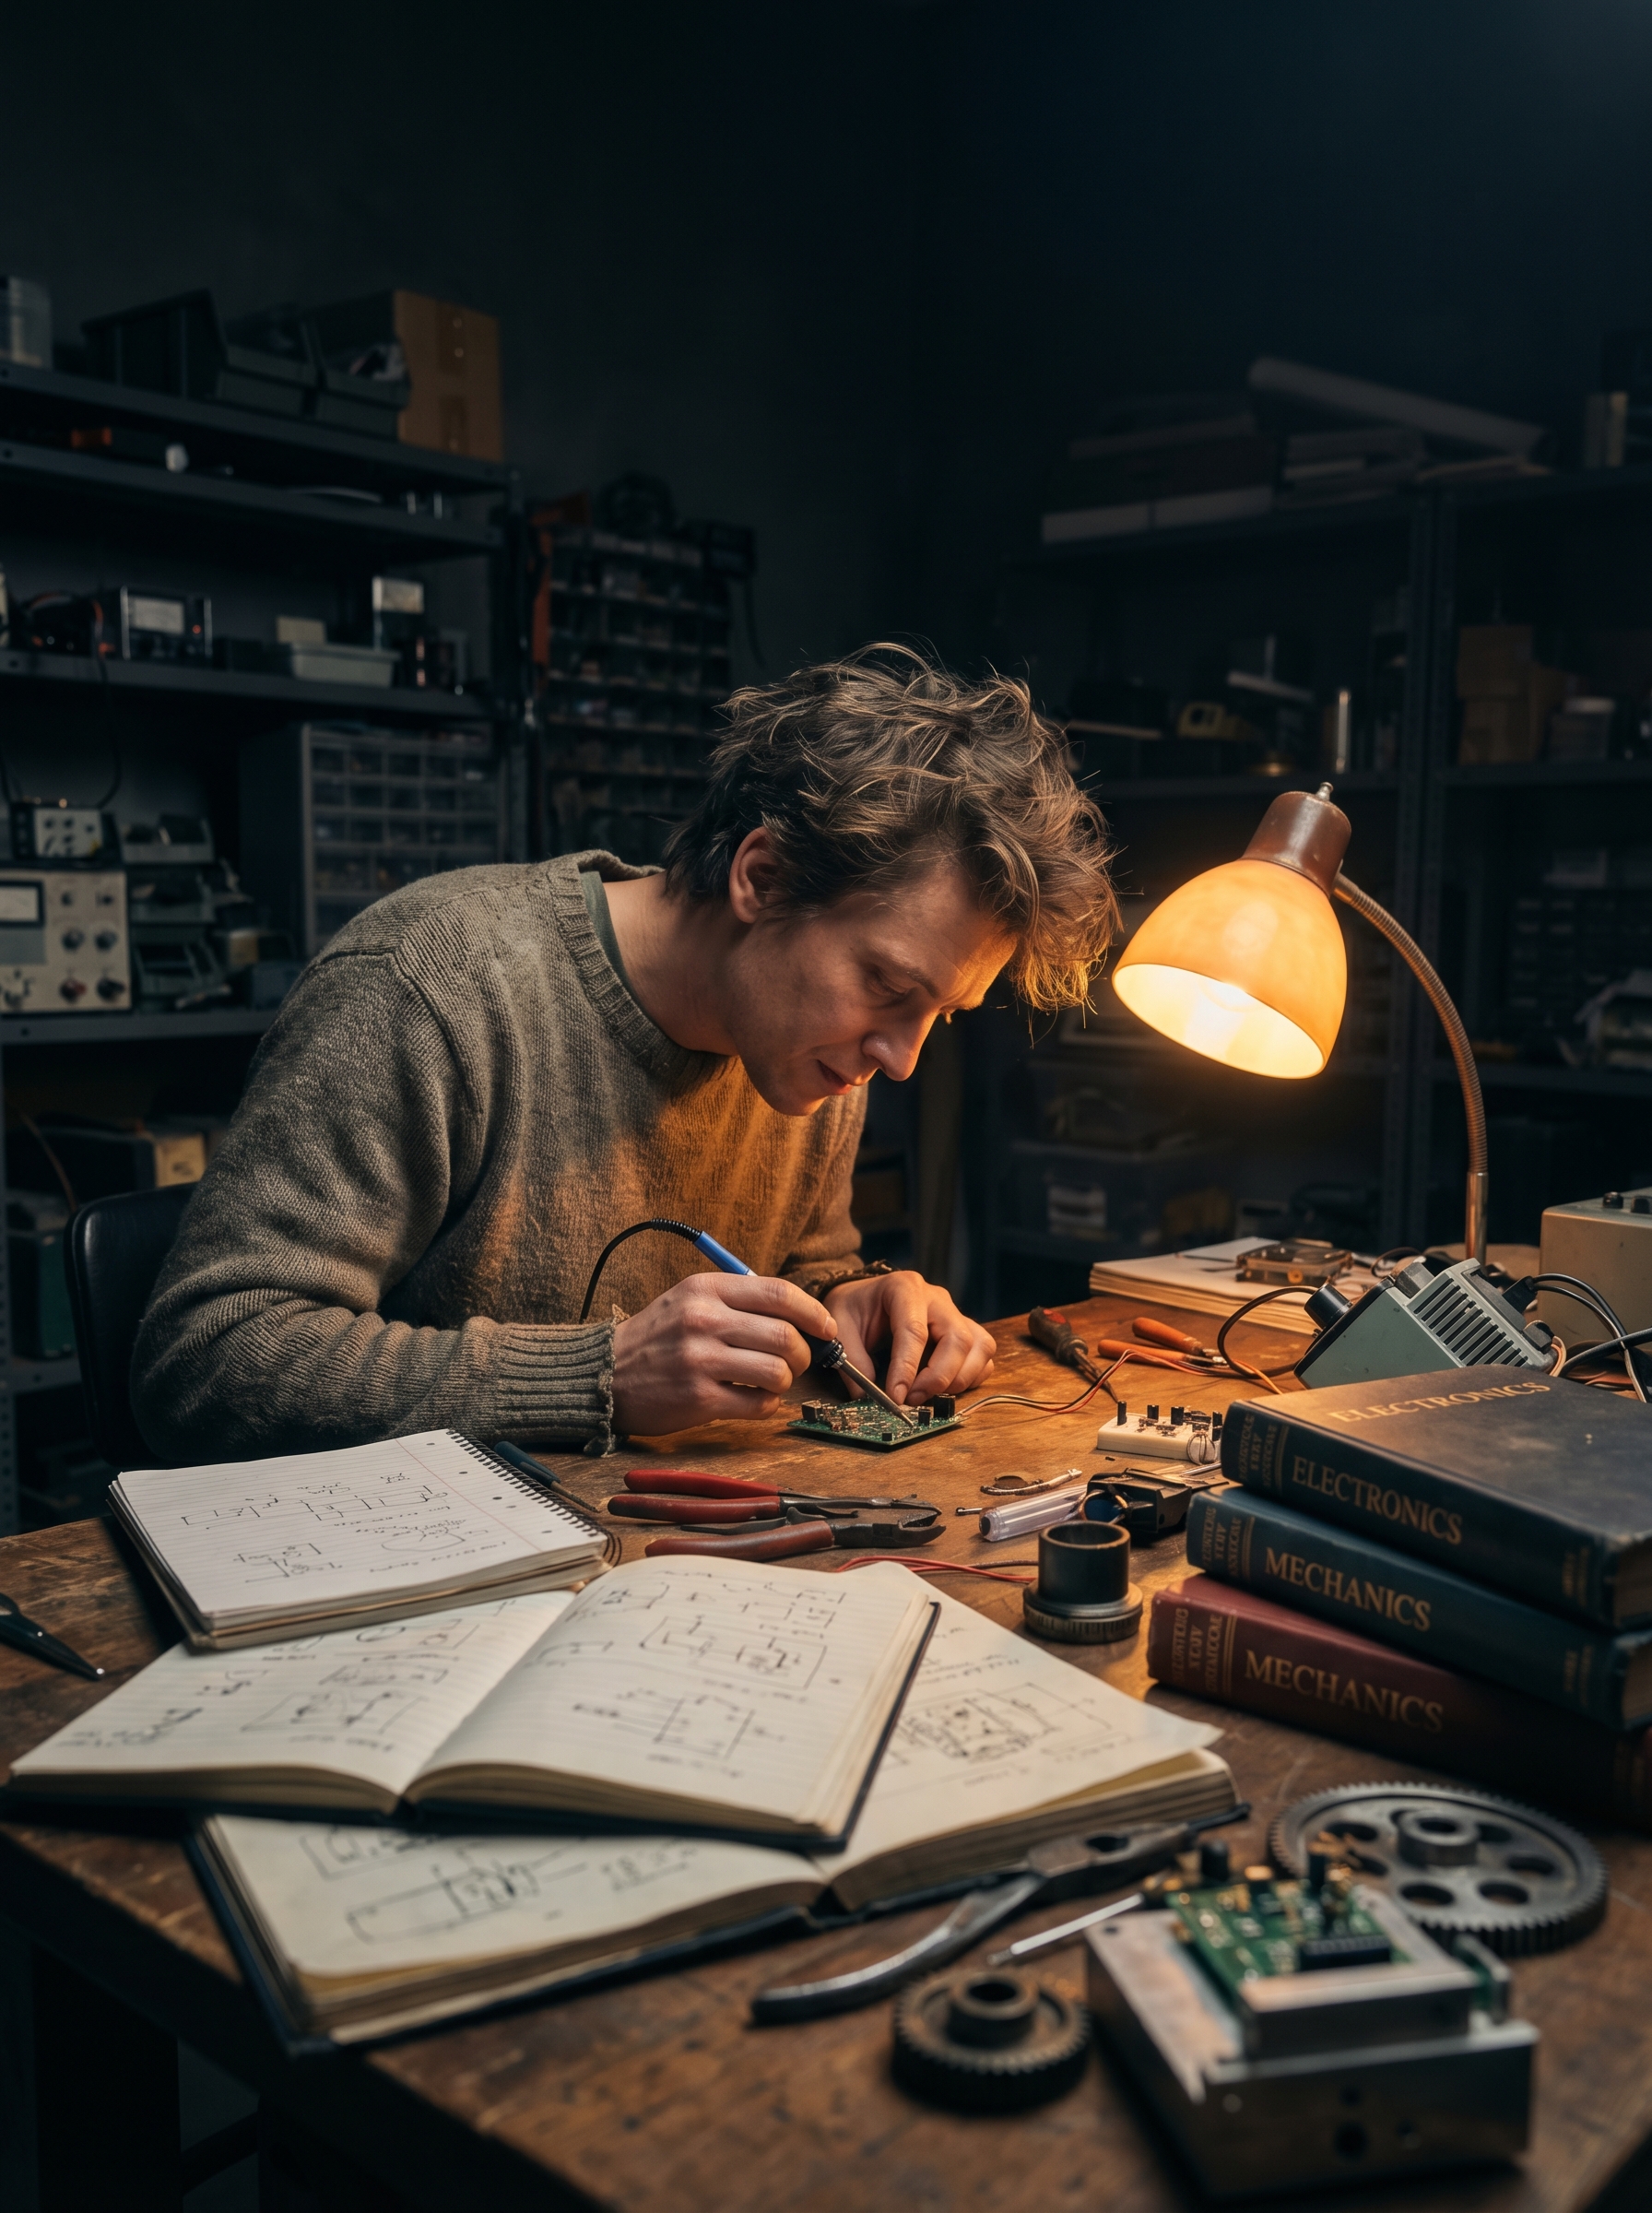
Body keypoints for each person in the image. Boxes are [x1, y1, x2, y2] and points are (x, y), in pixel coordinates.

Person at [133, 645, 1118, 1459]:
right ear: (762, 877)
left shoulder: (819, 1048)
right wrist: (597, 1377)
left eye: (940, 1016)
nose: (900, 1058)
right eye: (890, 988)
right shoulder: (433, 984)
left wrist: (848, 1309)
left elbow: (798, 1269)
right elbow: (207, 1357)